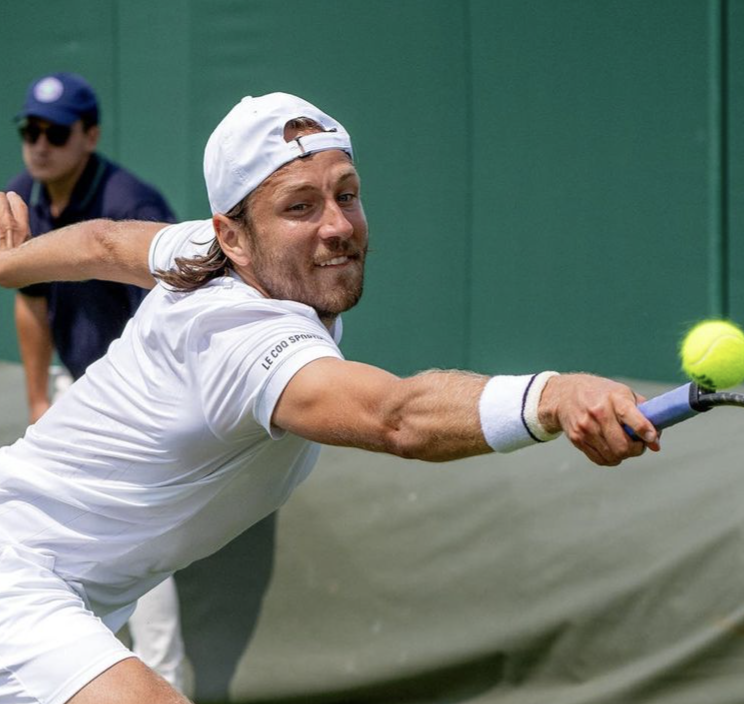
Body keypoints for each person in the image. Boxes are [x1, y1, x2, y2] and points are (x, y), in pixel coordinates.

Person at [0, 91, 660, 704]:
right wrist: (554, 397)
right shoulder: (237, 337)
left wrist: (8, 263)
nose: (338, 226)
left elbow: (104, 241)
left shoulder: (207, 249)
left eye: (347, 194)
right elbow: (395, 417)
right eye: (300, 207)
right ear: (234, 235)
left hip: (61, 583)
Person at [5, 72, 187, 692]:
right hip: (72, 390)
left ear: (91, 135)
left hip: (140, 400)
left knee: (135, 542)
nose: (40, 144)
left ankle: (160, 675)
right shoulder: (21, 195)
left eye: (55, 132)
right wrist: (37, 397)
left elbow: (174, 320)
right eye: (30, 130)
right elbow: (29, 301)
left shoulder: (130, 202)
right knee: (46, 538)